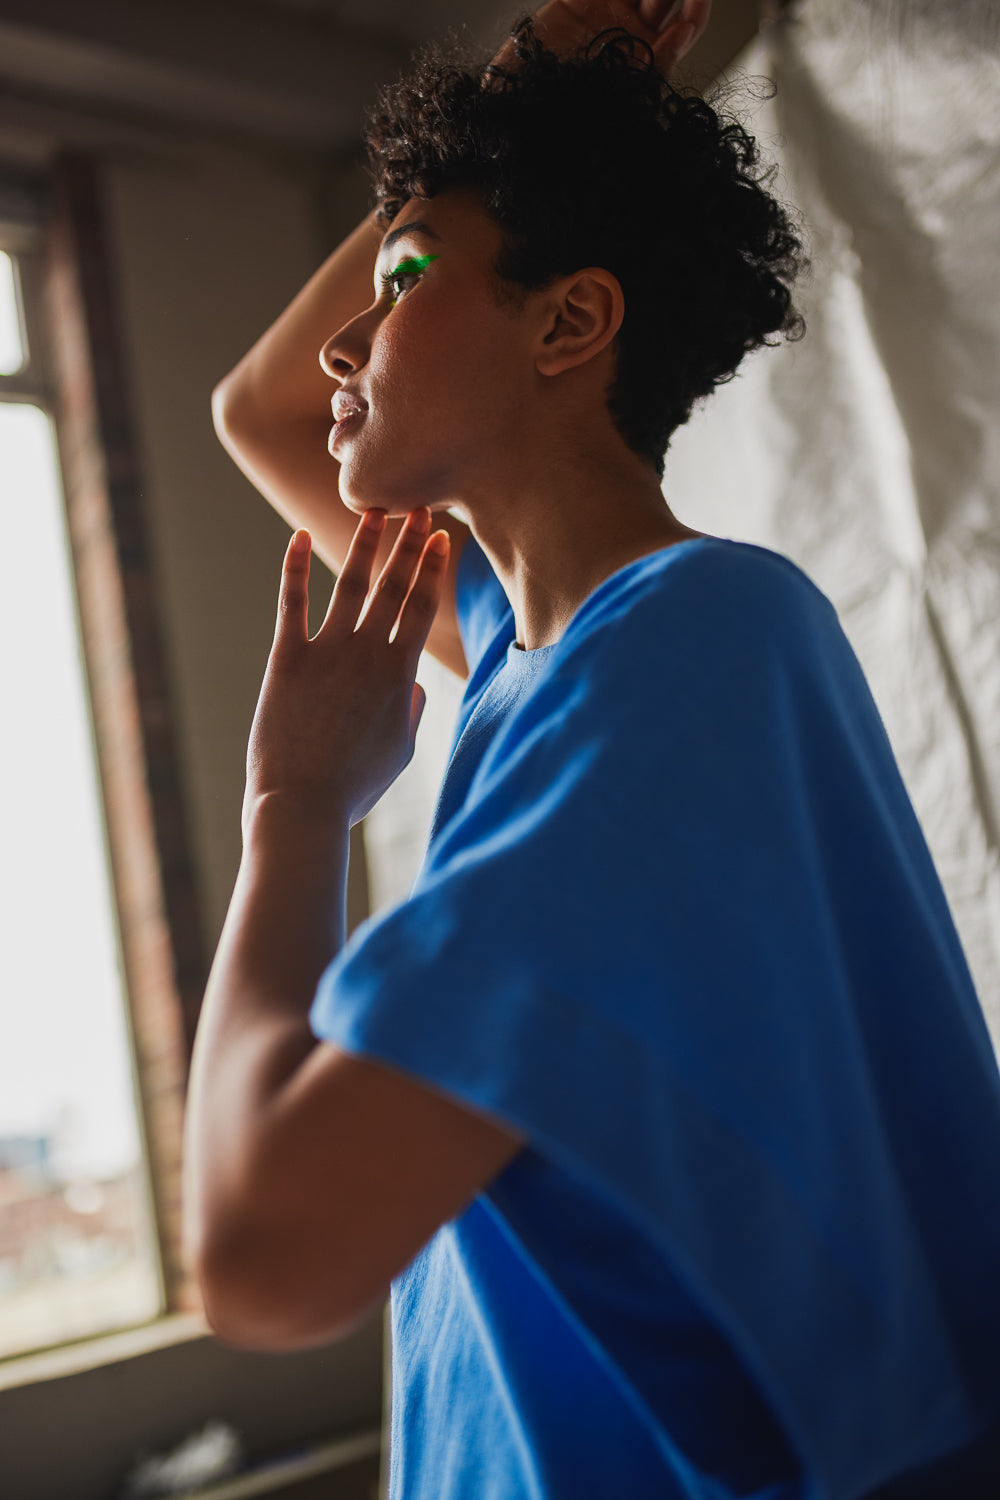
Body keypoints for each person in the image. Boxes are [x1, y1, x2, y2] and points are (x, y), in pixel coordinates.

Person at [183, 1, 1000, 1496]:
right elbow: (264, 411)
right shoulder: (519, 647)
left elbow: (261, 1255)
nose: (349, 338)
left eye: (402, 280)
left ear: (569, 324)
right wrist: (528, 86)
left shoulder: (696, 639)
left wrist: (291, 808)